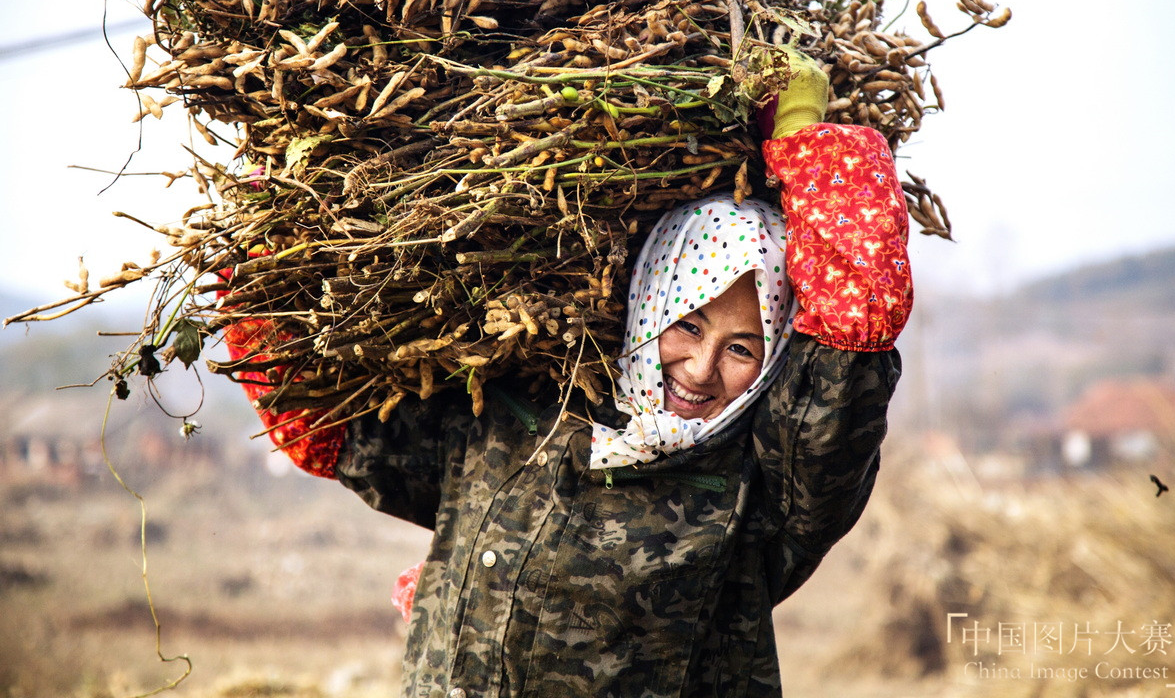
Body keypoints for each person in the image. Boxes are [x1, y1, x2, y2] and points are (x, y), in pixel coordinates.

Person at [224, 53, 912, 697]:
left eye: (741, 349)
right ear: (650, 297)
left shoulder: (763, 489)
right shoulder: (527, 409)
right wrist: (272, 219)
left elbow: (847, 355)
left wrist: (804, 143)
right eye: (689, 325)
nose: (701, 370)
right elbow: (339, 429)